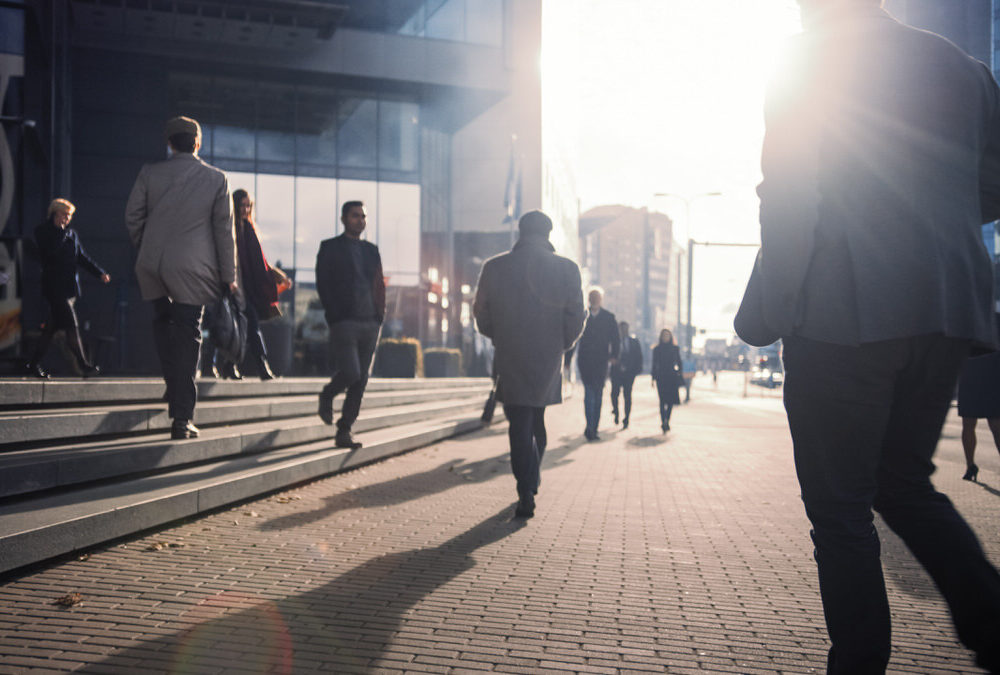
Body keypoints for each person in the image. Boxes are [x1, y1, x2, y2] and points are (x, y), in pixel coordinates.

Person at [737, 1, 1000, 670]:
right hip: (945, 306)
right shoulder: (962, 65)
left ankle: (857, 663)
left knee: (841, 508)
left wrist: (776, 302)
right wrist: (936, 224)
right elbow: (993, 181)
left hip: (842, 309)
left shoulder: (805, 60)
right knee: (903, 481)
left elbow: (790, 194)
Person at [125, 116, 237, 441]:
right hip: (192, 268)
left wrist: (146, 246)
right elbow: (223, 231)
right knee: (188, 334)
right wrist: (228, 276)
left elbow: (132, 216)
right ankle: (182, 417)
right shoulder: (216, 179)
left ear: (170, 143)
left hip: (152, 264)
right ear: (198, 143)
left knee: (163, 322)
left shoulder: (150, 173)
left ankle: (172, 383)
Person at [473, 210, 585, 518]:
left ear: (520, 232)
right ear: (548, 234)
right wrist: (561, 344)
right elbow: (576, 315)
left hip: (510, 352)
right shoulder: (566, 268)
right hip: (548, 354)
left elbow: (481, 313)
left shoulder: (494, 267)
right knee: (537, 418)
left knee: (518, 422)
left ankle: (525, 486)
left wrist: (499, 335)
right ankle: (531, 480)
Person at [316, 200, 386, 450]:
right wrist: (334, 315)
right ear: (344, 218)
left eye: (363, 216)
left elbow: (379, 284)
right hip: (344, 321)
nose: (360, 220)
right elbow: (323, 283)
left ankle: (344, 429)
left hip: (371, 322)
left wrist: (380, 315)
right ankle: (327, 394)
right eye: (355, 216)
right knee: (351, 372)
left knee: (361, 381)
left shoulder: (371, 250)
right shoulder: (330, 248)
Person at [206, 189, 288, 381]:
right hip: (230, 287)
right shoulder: (229, 228)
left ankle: (235, 365)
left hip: (247, 290)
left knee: (244, 327)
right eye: (242, 205)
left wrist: (278, 276)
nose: (245, 209)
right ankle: (249, 366)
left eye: (248, 205)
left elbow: (259, 262)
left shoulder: (249, 229)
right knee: (226, 326)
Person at [27, 198, 110, 378]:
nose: (67, 219)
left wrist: (99, 273)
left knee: (50, 330)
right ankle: (84, 364)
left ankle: (33, 364)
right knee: (72, 326)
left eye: (69, 216)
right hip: (53, 288)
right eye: (64, 214)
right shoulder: (43, 232)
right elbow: (49, 252)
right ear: (55, 213)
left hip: (68, 289)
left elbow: (81, 257)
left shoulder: (72, 234)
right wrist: (60, 232)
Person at [572, 288, 619, 440]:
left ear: (601, 299)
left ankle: (594, 428)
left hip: (601, 363)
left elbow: (616, 339)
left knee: (598, 395)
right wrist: (567, 360)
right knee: (588, 395)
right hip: (585, 362)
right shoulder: (581, 316)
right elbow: (573, 338)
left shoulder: (609, 317)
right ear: (588, 299)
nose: (594, 300)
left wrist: (614, 356)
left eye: (597, 297)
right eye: (592, 297)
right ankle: (589, 426)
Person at [957, 345, 1000, 482]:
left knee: (994, 424)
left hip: (987, 366)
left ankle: (970, 466)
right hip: (974, 366)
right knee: (969, 422)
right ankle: (970, 465)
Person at [610, 321, 642, 429]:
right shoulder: (614, 341)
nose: (623, 331)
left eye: (625, 328)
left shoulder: (634, 342)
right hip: (616, 373)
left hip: (629, 374)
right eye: (621, 329)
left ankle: (626, 418)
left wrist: (636, 371)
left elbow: (639, 357)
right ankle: (616, 412)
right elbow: (609, 353)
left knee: (627, 396)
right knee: (614, 394)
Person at [650, 329, 682, 433]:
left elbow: (679, 362)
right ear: (661, 337)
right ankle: (663, 421)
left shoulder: (675, 348)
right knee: (662, 400)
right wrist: (653, 378)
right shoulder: (657, 349)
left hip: (672, 377)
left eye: (667, 335)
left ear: (670, 337)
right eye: (664, 335)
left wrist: (679, 374)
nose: (666, 337)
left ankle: (667, 420)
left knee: (670, 401)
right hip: (661, 377)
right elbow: (654, 364)